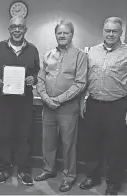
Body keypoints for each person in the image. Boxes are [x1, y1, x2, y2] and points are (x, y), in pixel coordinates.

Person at [79, 17, 127, 195]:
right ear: (103, 31)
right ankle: (92, 176)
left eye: (114, 31)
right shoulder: (91, 52)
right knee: (91, 144)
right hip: (93, 105)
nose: (110, 34)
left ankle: (113, 183)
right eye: (107, 30)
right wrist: (83, 100)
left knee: (117, 147)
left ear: (120, 32)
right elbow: (84, 80)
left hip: (118, 106)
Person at [35, 20, 87, 192]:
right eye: (59, 33)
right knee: (47, 141)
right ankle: (48, 170)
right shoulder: (48, 55)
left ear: (72, 35)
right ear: (55, 35)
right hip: (48, 107)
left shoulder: (80, 56)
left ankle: (69, 176)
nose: (62, 35)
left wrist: (58, 100)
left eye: (66, 33)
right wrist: (45, 97)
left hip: (67, 108)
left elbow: (80, 83)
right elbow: (40, 79)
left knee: (68, 143)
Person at [0, 16, 40, 186]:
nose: (17, 30)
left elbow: (36, 71)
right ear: (9, 29)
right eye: (14, 27)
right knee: (4, 136)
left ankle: (24, 171)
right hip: (4, 101)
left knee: (24, 137)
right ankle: (3, 169)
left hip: (24, 101)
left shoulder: (32, 49)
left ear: (25, 29)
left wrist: (33, 78)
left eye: (20, 27)